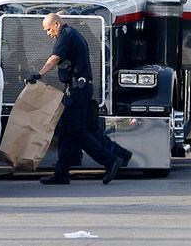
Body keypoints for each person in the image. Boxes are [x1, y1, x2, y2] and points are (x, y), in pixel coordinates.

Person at [28, 13, 128, 184]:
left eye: (48, 29)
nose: (48, 33)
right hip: (75, 89)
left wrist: (39, 74)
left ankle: (110, 161)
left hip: (77, 90)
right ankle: (62, 173)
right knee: (65, 130)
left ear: (57, 24)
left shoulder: (66, 36)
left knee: (77, 131)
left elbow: (54, 59)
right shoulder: (72, 34)